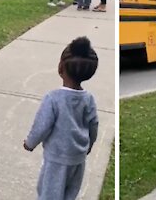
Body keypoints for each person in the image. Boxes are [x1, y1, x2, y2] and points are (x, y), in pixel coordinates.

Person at [23, 37, 99, 200]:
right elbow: (93, 126)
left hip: (56, 159)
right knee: (70, 193)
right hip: (78, 158)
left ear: (60, 68)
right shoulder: (89, 99)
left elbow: (42, 126)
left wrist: (30, 143)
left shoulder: (53, 98)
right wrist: (89, 145)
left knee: (49, 193)